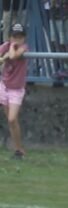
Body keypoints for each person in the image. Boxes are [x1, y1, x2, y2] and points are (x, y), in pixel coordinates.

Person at [0, 24, 29, 159]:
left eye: (20, 37)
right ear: (10, 36)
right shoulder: (5, 46)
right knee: (11, 120)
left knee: (12, 118)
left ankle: (19, 148)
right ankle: (18, 150)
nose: (17, 40)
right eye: (14, 37)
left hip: (16, 89)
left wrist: (11, 48)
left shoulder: (23, 48)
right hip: (4, 86)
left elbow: (13, 56)